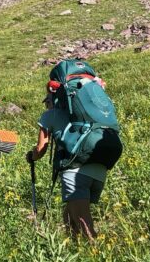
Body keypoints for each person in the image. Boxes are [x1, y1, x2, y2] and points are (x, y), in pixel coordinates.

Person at [27, 61, 119, 240]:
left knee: (83, 222)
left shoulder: (49, 116)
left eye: (46, 100)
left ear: (53, 97)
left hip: (75, 169)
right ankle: (76, 253)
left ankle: (95, 257)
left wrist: (31, 156)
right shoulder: (85, 114)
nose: (46, 104)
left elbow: (40, 149)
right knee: (69, 218)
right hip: (99, 167)